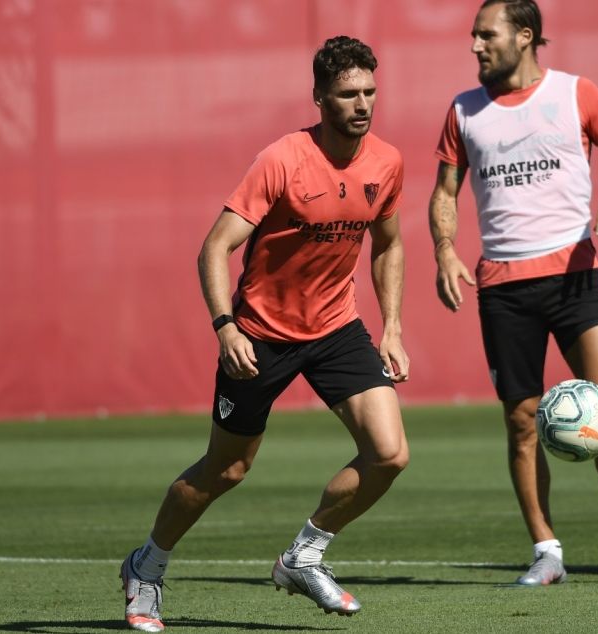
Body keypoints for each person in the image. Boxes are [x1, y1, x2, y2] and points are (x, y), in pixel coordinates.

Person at [119, 35, 410, 632]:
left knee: (390, 453)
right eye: (348, 94)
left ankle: (304, 555)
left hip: (336, 328)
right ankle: (146, 568)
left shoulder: (386, 162)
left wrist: (394, 327)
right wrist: (225, 327)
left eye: (369, 92)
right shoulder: (281, 159)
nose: (362, 104)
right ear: (319, 98)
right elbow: (215, 247)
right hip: (260, 334)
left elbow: (389, 245)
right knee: (226, 470)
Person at [428, 0, 598, 585]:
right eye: (474, 36)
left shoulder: (576, 93)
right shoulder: (463, 110)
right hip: (504, 287)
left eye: (488, 34)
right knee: (521, 421)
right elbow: (444, 192)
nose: (476, 45)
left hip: (577, 278)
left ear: (525, 36)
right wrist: (445, 249)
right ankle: (547, 551)